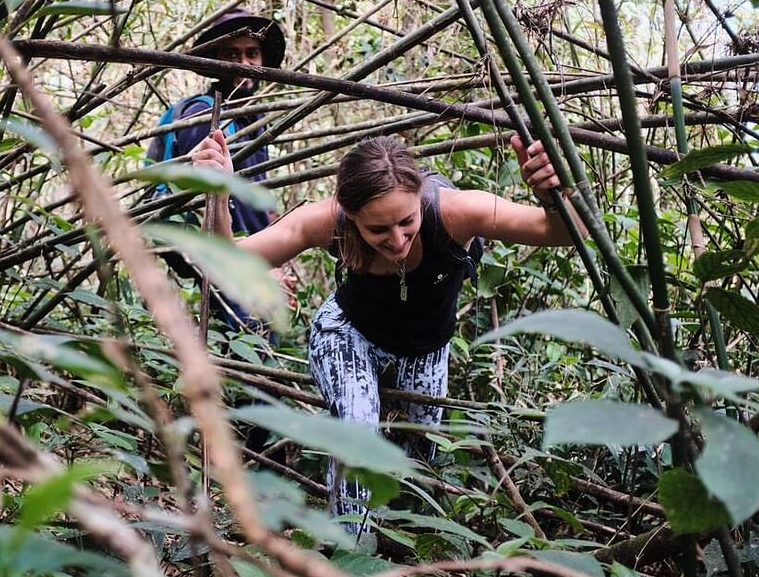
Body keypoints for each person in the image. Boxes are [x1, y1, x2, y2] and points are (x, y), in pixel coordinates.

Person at [190, 130, 585, 528]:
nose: (396, 240)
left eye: (406, 222)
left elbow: (567, 232)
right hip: (349, 332)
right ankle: (350, 559)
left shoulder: (458, 212)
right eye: (378, 230)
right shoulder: (329, 221)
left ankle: (400, 556)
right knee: (357, 432)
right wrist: (218, 195)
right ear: (350, 214)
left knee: (418, 458)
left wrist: (551, 193)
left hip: (425, 345)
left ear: (419, 199)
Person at [148, 9, 290, 331]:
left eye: (252, 53)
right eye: (232, 54)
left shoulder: (252, 119)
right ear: (214, 59)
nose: (244, 63)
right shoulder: (203, 116)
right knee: (242, 345)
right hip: (228, 259)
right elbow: (218, 201)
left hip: (255, 257)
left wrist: (279, 259)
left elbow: (259, 195)